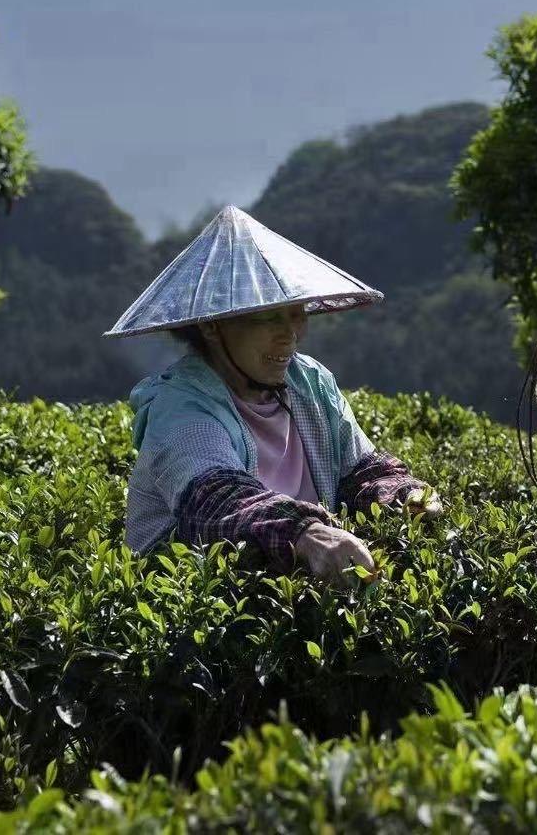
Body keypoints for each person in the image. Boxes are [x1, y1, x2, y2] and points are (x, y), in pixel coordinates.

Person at [104, 205, 444, 592]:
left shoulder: (310, 382)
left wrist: (405, 496)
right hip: (198, 620)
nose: (290, 336)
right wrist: (306, 533)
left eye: (296, 314)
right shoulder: (179, 406)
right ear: (213, 325)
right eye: (267, 318)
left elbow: (362, 474)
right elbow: (215, 501)